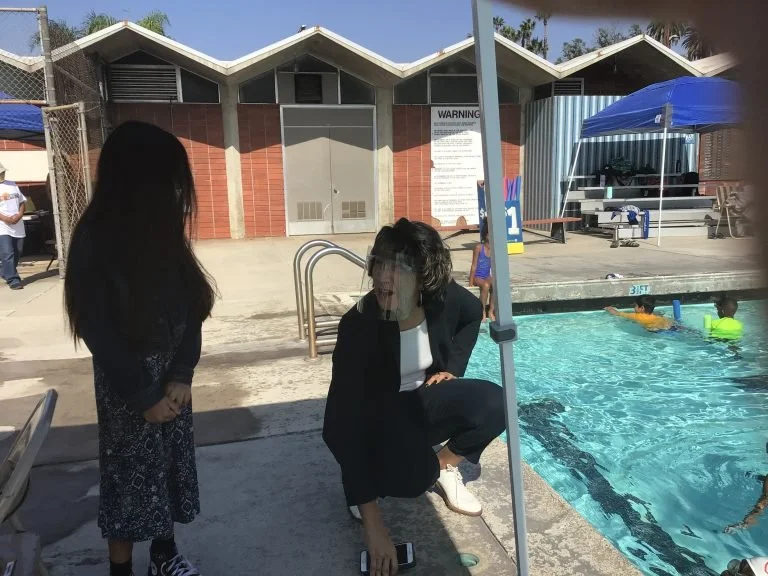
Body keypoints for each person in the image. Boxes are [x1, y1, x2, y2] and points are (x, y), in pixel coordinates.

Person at [64, 121, 215, 576]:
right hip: (129, 386)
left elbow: (194, 307)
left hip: (172, 382)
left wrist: (182, 372)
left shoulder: (165, 234)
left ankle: (165, 554)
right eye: (166, 179)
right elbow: (97, 329)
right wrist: (143, 394)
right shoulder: (96, 240)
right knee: (129, 482)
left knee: (168, 471)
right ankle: (122, 569)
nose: (174, 191)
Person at [323, 217, 505, 576]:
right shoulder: (358, 326)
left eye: (398, 268)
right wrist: (374, 528)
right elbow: (341, 427)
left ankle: (445, 466)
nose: (383, 277)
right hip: (377, 417)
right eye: (379, 264)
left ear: (423, 275)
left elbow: (472, 315)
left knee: (496, 404)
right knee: (411, 478)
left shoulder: (441, 298)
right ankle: (377, 485)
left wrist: (453, 368)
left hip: (420, 402)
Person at [0, 163, 26, 290]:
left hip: (17, 225)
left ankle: (4, 271)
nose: (2, 174)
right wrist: (4, 218)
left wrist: (20, 214)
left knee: (17, 251)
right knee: (7, 253)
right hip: (2, 226)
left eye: (2, 172)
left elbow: (22, 202)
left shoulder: (12, 184)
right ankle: (13, 279)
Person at [469, 217, 495, 322]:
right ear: (485, 235)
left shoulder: (494, 249)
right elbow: (474, 265)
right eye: (489, 234)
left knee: (495, 284)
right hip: (477, 277)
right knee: (485, 285)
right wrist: (471, 282)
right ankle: (482, 311)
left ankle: (491, 311)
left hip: (486, 276)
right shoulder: (479, 248)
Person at [605, 296, 674, 332]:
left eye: (635, 306)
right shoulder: (655, 315)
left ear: (642, 308)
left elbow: (617, 313)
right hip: (668, 325)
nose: (634, 308)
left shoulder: (635, 316)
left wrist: (609, 308)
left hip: (655, 330)